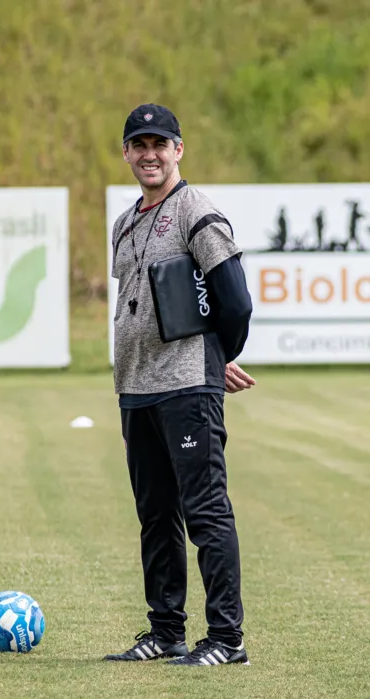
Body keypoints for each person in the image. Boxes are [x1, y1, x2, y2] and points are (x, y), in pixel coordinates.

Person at [103, 103, 256, 667]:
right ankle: (165, 631)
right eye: (138, 145)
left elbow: (235, 301)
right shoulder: (125, 222)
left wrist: (214, 359)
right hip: (137, 389)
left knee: (205, 512)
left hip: (187, 389)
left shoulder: (197, 211)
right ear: (126, 153)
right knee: (155, 516)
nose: (149, 154)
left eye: (159, 144)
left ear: (178, 150)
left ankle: (226, 640)